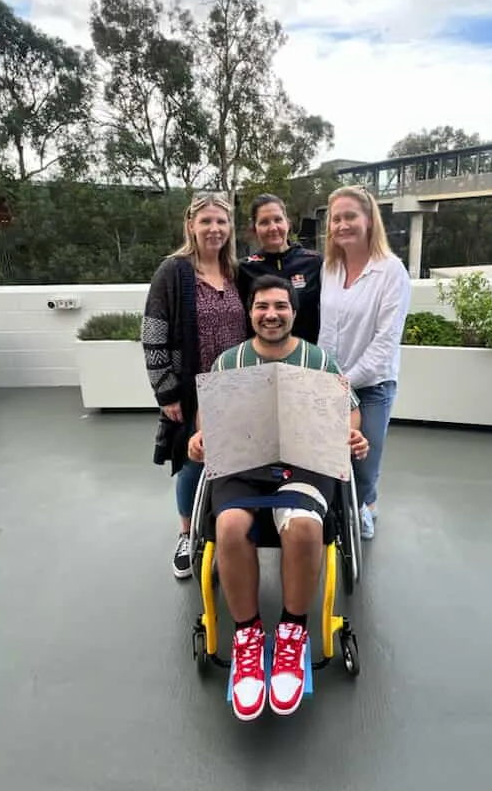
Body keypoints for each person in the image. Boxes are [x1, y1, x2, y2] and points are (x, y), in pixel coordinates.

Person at [187, 274, 369, 721]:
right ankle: (248, 635)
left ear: (293, 311)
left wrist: (354, 435)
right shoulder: (229, 361)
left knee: (305, 528)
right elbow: (205, 419)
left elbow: (350, 411)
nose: (271, 314)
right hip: (244, 464)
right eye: (262, 306)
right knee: (229, 526)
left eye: (280, 306)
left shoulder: (320, 360)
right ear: (250, 312)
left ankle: (292, 631)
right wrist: (198, 439)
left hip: (304, 463)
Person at [143, 193, 248, 580]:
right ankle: (187, 535)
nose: (214, 229)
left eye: (221, 221)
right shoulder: (173, 272)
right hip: (192, 390)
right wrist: (166, 391)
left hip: (237, 387)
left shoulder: (237, 272)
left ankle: (225, 535)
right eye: (205, 221)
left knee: (236, 461)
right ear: (191, 225)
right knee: (193, 461)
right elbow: (152, 332)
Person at [318, 185, 412, 541]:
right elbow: (326, 332)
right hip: (331, 382)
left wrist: (345, 381)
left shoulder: (391, 272)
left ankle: (366, 507)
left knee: (363, 460)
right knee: (328, 454)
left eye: (350, 216)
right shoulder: (329, 267)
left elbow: (385, 343)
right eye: (336, 219)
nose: (342, 225)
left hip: (372, 386)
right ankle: (342, 506)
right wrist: (325, 377)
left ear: (370, 220)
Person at [237, 194, 323, 344]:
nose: (273, 228)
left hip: (306, 358)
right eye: (264, 222)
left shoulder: (314, 262)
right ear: (254, 229)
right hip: (262, 359)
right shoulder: (244, 268)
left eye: (278, 220)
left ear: (287, 223)